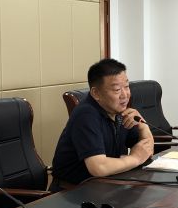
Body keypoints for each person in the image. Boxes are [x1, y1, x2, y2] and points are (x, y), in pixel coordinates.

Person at [51, 58, 154, 188]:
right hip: (72, 191)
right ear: (96, 93)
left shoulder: (120, 111)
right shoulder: (86, 115)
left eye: (127, 87)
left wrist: (143, 126)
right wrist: (135, 158)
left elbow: (147, 150)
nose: (125, 95)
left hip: (106, 185)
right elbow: (98, 167)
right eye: (117, 89)